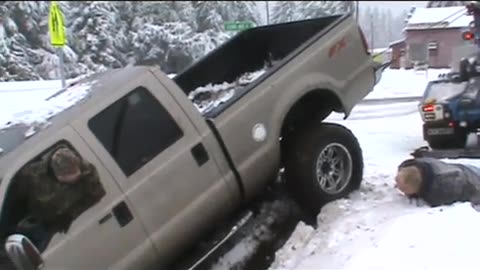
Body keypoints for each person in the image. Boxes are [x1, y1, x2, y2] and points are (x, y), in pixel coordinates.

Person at [13, 145, 106, 248]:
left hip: (58, 228)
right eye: (69, 179)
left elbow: (98, 194)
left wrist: (69, 215)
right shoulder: (32, 174)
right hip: (35, 220)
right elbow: (16, 197)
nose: (75, 180)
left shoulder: (88, 174)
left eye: (77, 176)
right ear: (58, 175)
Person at [395, 157, 480, 207]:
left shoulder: (441, 191)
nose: (397, 187)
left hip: (473, 179)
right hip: (459, 169)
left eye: (404, 189)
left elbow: (471, 194)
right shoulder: (408, 166)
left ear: (416, 187)